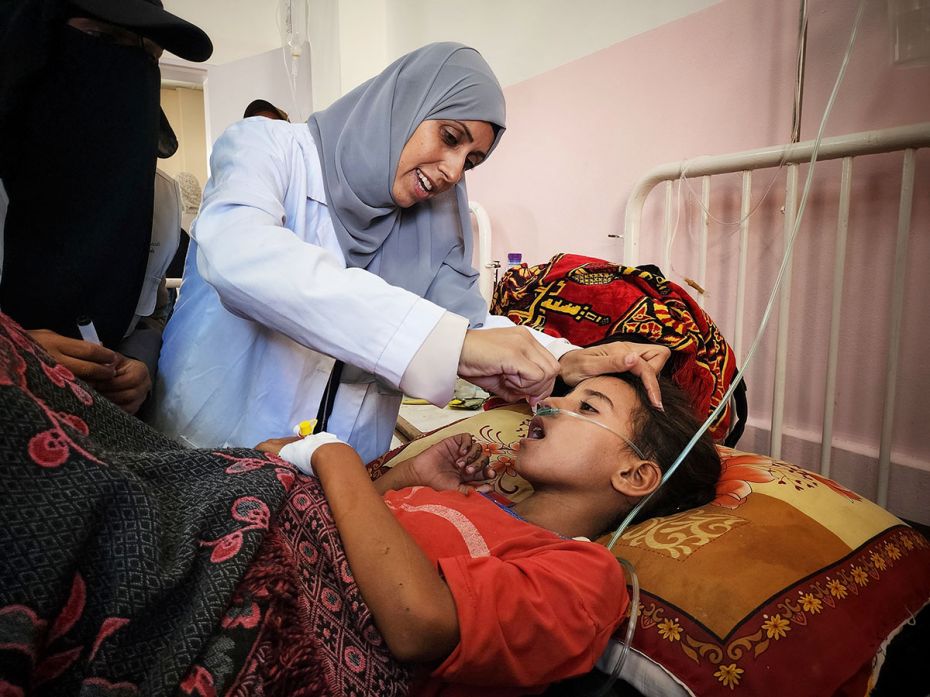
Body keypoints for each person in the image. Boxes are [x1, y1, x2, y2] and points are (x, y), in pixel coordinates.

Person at [154, 42, 670, 461]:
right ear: (403, 105)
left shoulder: (430, 220)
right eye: (449, 136)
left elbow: (462, 325)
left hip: (343, 474)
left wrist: (567, 360)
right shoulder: (268, 149)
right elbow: (243, 258)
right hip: (218, 443)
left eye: (471, 160)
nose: (452, 170)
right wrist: (456, 346)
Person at [257, 372, 722, 694]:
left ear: (634, 475)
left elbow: (418, 624)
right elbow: (345, 532)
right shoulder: (472, 497)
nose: (552, 403)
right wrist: (407, 476)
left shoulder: (586, 576)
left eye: (587, 407)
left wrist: (333, 458)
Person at [0, 0, 212, 415]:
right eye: (102, 39)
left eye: (149, 54)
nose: (129, 68)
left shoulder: (157, 200)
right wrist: (13, 350)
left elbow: (152, 310)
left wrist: (140, 363)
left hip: (96, 437)